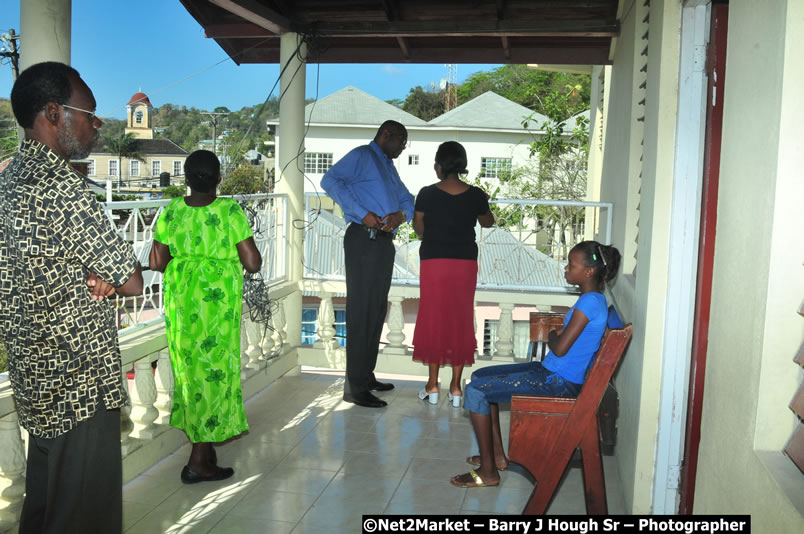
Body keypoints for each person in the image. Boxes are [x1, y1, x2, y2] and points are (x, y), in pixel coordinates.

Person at [0, 61, 143, 534]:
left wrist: (92, 271)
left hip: (34, 379)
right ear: (54, 113)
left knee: (43, 508)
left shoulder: (8, 180)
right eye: (90, 113)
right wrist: (105, 274)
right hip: (78, 380)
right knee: (82, 515)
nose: (97, 123)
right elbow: (132, 280)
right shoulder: (63, 187)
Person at [450, 241, 621, 488]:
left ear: (588, 272)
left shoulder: (589, 302)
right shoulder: (592, 299)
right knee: (479, 376)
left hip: (558, 382)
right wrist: (557, 335)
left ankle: (488, 471)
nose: (565, 268)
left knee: (476, 390)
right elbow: (562, 338)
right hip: (554, 373)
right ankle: (496, 456)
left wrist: (554, 336)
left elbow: (560, 346)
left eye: (571, 265)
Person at [149, 150, 262, 483]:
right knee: (213, 373)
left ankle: (205, 446)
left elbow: (156, 262)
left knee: (190, 372)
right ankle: (198, 459)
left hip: (182, 302)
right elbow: (253, 263)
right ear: (218, 180)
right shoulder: (229, 211)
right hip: (217, 307)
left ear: (185, 179)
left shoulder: (171, 211)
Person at [321, 120, 415, 408]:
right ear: (386, 135)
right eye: (402, 141)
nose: (403, 147)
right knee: (361, 309)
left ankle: (366, 376)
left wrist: (401, 216)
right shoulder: (362, 155)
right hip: (363, 239)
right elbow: (330, 181)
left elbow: (408, 200)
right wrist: (361, 213)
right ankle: (354, 387)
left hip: (383, 243)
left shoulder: (386, 165)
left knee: (375, 309)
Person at [411, 141, 494, 407]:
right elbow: (487, 221)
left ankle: (432, 385)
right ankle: (456, 388)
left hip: (434, 262)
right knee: (459, 317)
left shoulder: (426, 194)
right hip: (464, 263)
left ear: (439, 165)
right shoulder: (476, 194)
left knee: (433, 317)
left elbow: (419, 229)